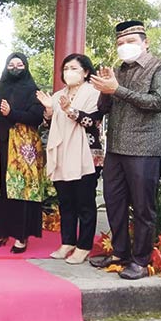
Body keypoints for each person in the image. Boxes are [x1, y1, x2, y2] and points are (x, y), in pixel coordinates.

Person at [89, 20, 161, 279]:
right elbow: (105, 108)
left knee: (142, 207)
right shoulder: (118, 70)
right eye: (120, 43)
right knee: (114, 203)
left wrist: (117, 89)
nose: (124, 47)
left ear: (145, 42)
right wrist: (106, 90)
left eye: (130, 42)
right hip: (116, 147)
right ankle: (120, 253)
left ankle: (140, 260)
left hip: (146, 147)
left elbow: (158, 102)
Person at [0, 53, 46, 253]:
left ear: (26, 67)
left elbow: (36, 116)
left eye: (19, 64)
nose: (15, 68)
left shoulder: (32, 90)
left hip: (21, 149)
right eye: (11, 64)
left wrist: (12, 114)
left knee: (19, 189)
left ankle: (21, 236)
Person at [36, 54, 104, 264]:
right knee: (65, 202)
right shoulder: (57, 95)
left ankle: (83, 246)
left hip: (86, 155)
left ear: (85, 72)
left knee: (84, 202)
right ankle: (68, 242)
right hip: (62, 153)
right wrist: (48, 110)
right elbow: (49, 127)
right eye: (66, 68)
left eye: (73, 68)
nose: (68, 72)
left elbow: (93, 121)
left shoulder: (95, 93)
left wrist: (70, 110)